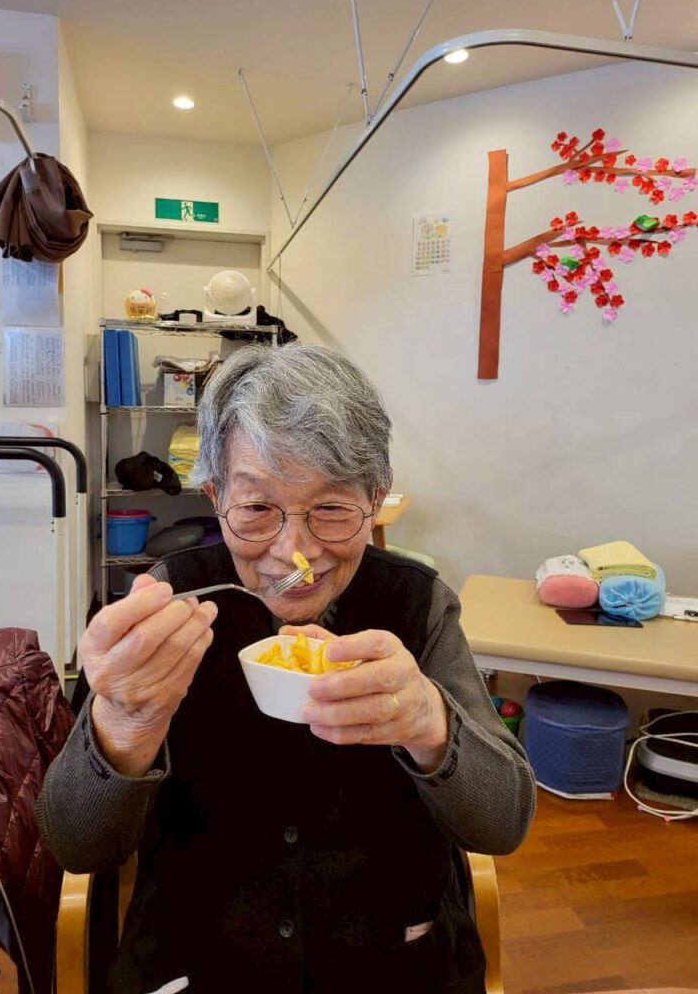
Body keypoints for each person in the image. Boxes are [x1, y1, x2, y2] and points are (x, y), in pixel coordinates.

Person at [38, 342, 535, 994]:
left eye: (331, 509)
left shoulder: (416, 604)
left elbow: (503, 822)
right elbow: (76, 845)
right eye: (256, 509)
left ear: (375, 500)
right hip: (197, 961)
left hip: (395, 962)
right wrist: (124, 725)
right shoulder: (172, 605)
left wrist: (429, 723)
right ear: (216, 497)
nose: (293, 551)